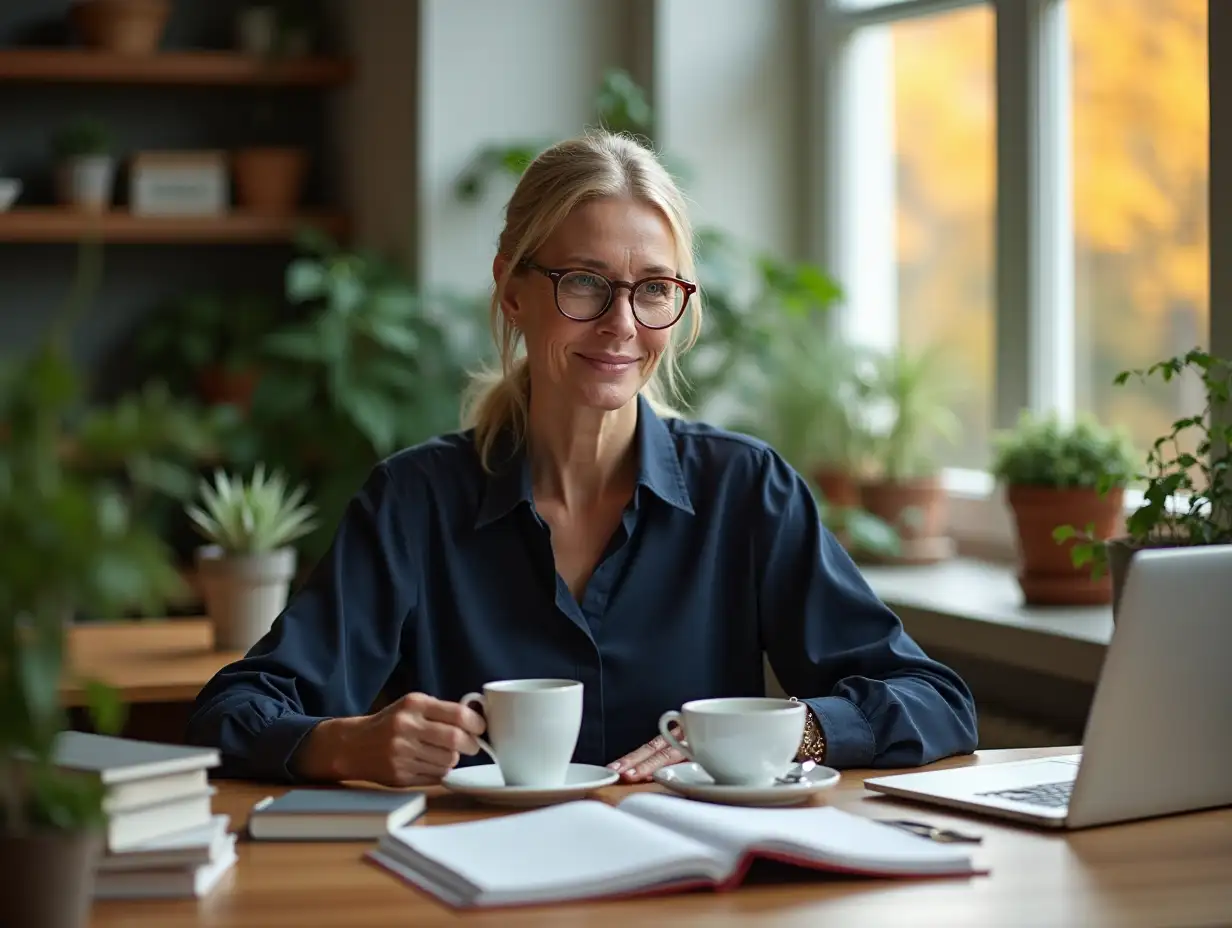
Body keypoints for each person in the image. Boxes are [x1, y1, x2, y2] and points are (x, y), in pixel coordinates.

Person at [185, 130, 978, 787]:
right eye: (585, 284)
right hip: (475, 894)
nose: (621, 325)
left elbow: (935, 699)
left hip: (693, 894)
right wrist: (347, 743)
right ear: (512, 290)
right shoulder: (415, 501)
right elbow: (236, 707)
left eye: (654, 288)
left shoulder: (746, 490)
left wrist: (792, 733)